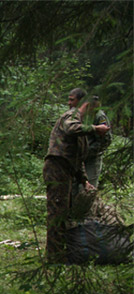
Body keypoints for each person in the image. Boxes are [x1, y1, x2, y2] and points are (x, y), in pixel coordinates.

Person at [43, 91, 110, 263]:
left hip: (68, 170)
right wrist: (96, 128)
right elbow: (71, 128)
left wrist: (84, 180)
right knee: (57, 211)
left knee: (65, 211)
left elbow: (79, 157)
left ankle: (62, 251)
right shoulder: (72, 116)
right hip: (57, 167)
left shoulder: (82, 126)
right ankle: (54, 257)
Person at [83, 95, 113, 188]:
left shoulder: (99, 116)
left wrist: (93, 150)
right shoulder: (82, 114)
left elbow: (106, 139)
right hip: (80, 155)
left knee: (90, 185)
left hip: (93, 156)